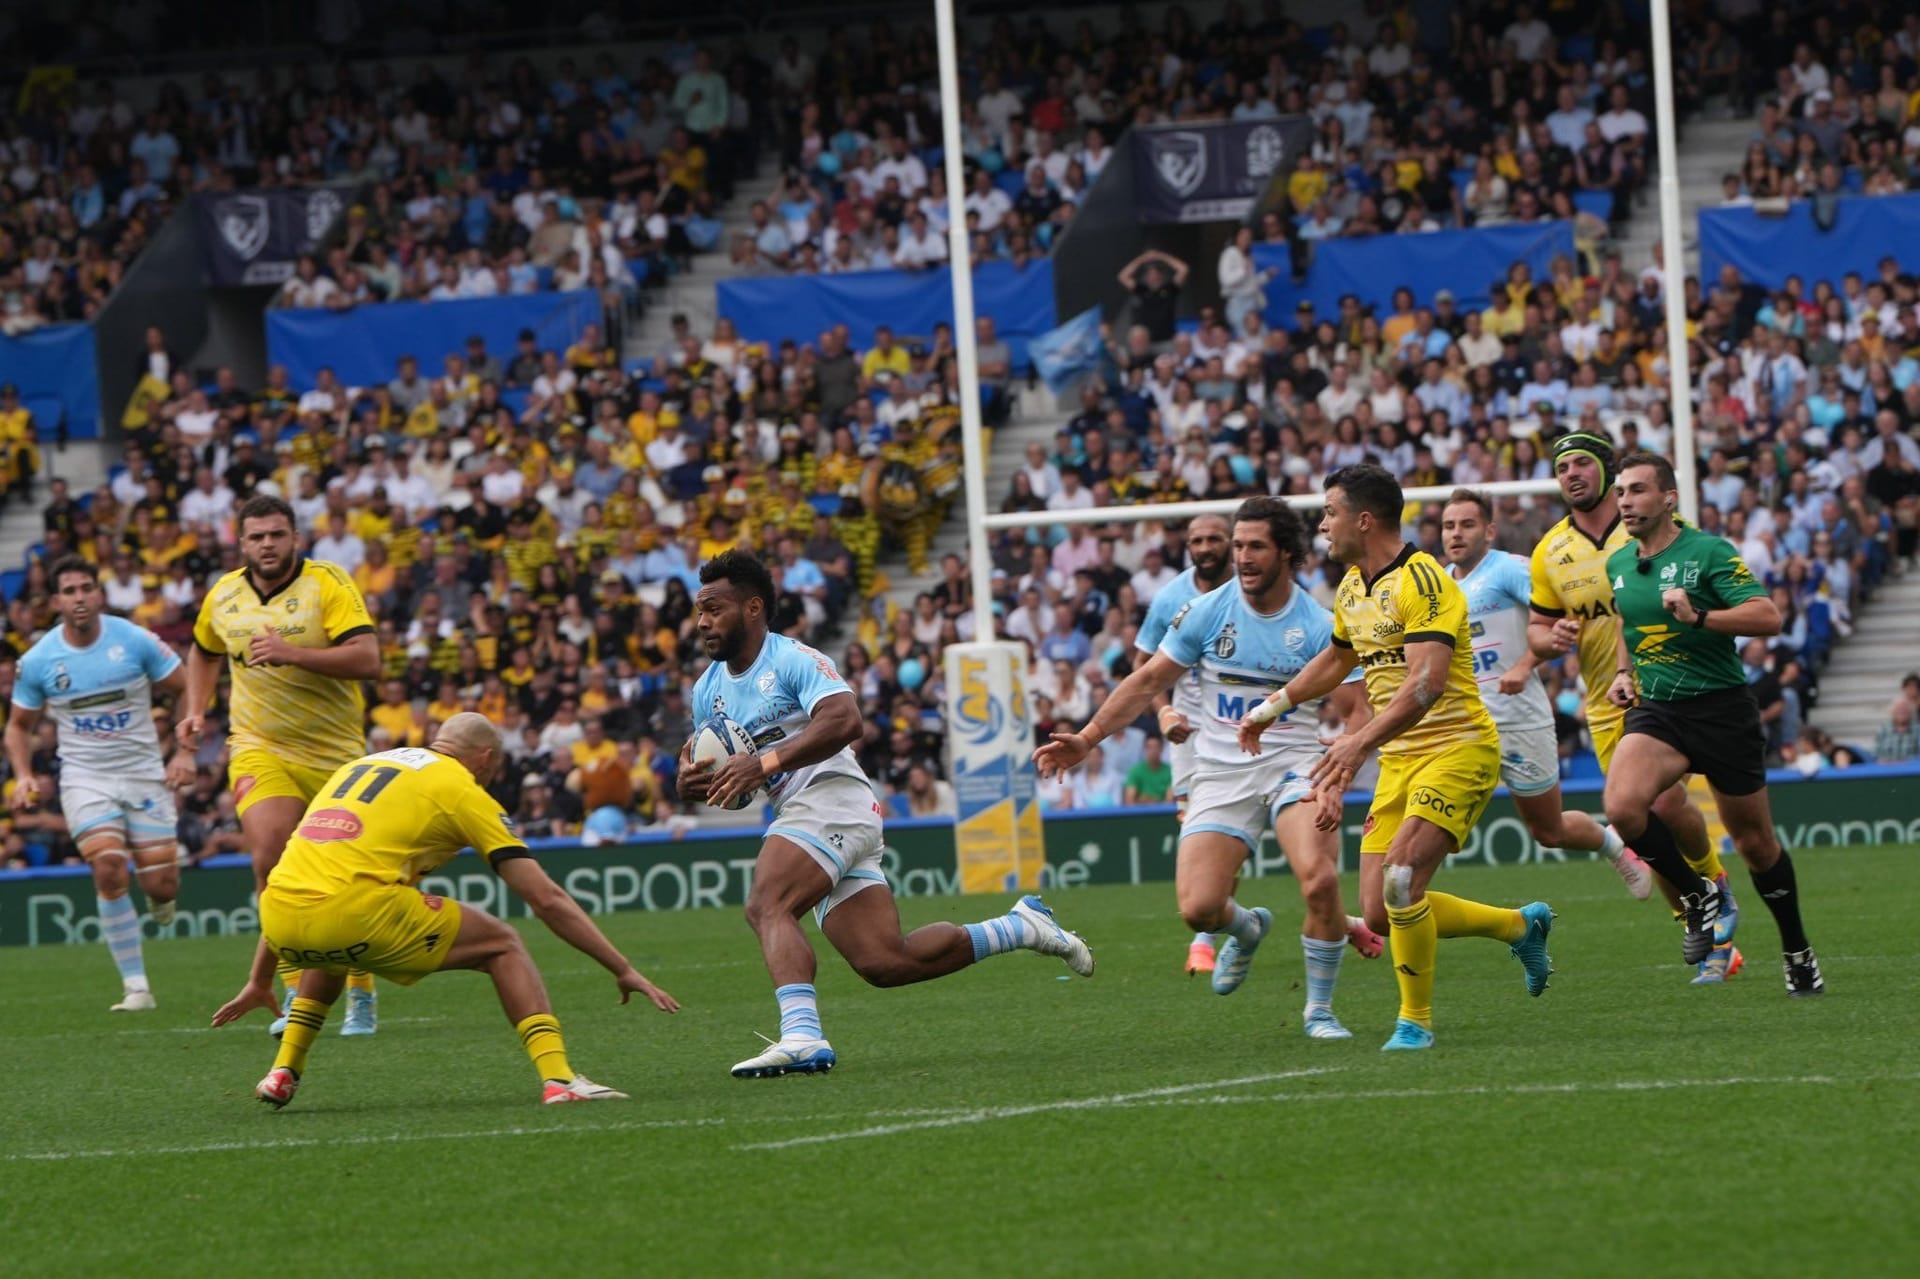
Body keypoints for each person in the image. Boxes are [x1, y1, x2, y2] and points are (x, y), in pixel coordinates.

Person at [680, 551, 1093, 1079]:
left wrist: (763, 764)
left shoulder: (792, 659)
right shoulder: (707, 689)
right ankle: (1020, 927)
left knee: (767, 904)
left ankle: (802, 1036)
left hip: (832, 797)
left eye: (714, 609)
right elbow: (711, 761)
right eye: (700, 611)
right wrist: (690, 781)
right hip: (808, 811)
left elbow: (845, 719)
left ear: (753, 608)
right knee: (885, 961)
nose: (703, 622)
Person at [1038, 498, 1382, 1040]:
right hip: (1220, 772)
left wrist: (1340, 765)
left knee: (1318, 881)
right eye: (1238, 545)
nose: (1242, 557)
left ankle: (1319, 1011)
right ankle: (1247, 929)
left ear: (1285, 553)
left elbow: (1358, 707)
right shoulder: (1206, 611)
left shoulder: (1319, 624)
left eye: (1255, 547)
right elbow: (1147, 681)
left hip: (1294, 767)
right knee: (1199, 910)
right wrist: (1086, 737)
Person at [1237, 466, 1553, 1052]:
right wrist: (1273, 706)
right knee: (1381, 911)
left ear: (1363, 520)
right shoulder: (1352, 587)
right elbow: (1338, 660)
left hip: (1457, 747)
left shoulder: (1424, 581)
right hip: (1401, 758)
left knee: (1402, 877)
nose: (1322, 525)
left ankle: (1415, 1023)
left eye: (1330, 512)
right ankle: (1518, 925)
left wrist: (1358, 744)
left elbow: (1426, 684)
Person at [210, 714, 680, 1108]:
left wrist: (259, 980)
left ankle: (283, 1072)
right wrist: (621, 968)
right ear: (485, 758)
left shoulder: (364, 764)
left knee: (332, 943)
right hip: (355, 912)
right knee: (503, 944)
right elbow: (546, 899)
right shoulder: (461, 787)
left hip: (279, 916)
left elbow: (304, 878)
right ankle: (559, 1079)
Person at [1600, 453, 1823, 996]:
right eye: (1621, 491)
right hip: (1660, 711)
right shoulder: (1620, 563)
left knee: (1755, 845)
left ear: (1668, 498)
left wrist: (1699, 616)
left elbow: (1768, 616)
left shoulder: (1708, 552)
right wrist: (1624, 673)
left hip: (1722, 711)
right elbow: (1630, 623)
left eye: (1637, 490)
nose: (1625, 500)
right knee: (1623, 807)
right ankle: (1700, 895)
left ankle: (1797, 950)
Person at [1527, 433, 1743, 983]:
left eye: (1582, 463)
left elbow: (1698, 583)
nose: (1571, 474)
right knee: (1641, 822)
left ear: (1607, 472)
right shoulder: (1550, 551)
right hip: (1606, 704)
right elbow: (1537, 629)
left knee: (1665, 805)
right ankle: (1704, 926)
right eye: (1562, 467)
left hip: (1667, 691)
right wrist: (1552, 639)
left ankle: (1714, 886)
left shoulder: (1652, 524)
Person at [170, 495, 387, 1034]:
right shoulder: (224, 595)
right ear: (241, 543)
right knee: (270, 858)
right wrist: (196, 709)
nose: (267, 544)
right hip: (259, 746)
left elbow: (369, 659)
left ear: (295, 538)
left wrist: (294, 654)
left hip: (335, 753)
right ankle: (292, 990)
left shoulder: (327, 584)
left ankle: (361, 989)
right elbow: (203, 651)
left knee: (345, 878)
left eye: (276, 534)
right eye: (257, 536)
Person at [1439, 490, 1653, 898]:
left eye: (1467, 524)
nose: (1456, 534)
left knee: (1548, 831)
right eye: (1449, 526)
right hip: (1465, 726)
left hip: (1519, 720)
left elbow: (1557, 623)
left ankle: (1613, 845)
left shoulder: (1510, 570)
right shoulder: (1439, 584)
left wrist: (1523, 666)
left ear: (1489, 531)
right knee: (1432, 825)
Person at [6, 557, 187, 1011]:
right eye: (69, 591)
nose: (80, 597)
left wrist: (185, 751)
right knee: (108, 867)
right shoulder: (40, 660)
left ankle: (160, 897)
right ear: (56, 601)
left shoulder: (135, 640)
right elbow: (18, 726)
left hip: (144, 773)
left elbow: (185, 687)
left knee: (162, 885)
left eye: (87, 588)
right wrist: (24, 774)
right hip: (86, 778)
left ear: (99, 594)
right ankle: (136, 988)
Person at [1132, 513, 1233, 975]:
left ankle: (1339, 922)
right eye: (1197, 540)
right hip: (1190, 732)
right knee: (1202, 827)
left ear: (1231, 542)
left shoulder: (1254, 589)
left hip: (1249, 724)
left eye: (1215, 538)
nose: (1205, 547)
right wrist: (1163, 711)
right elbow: (1142, 665)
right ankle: (1209, 934)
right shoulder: (1171, 597)